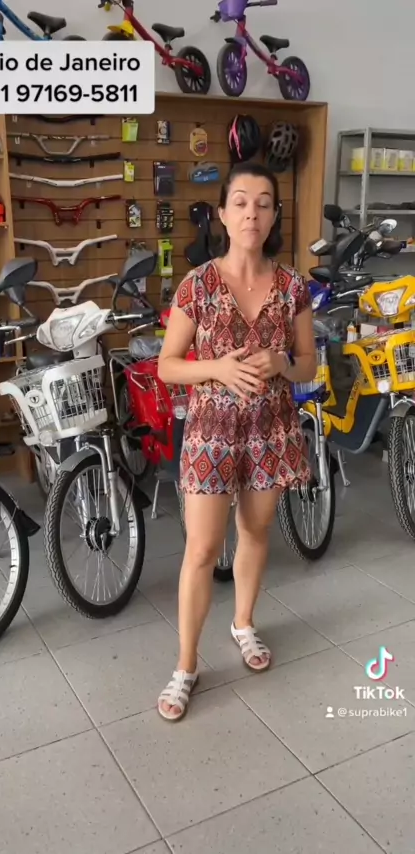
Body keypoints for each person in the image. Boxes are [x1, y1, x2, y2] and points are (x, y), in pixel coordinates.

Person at [156, 161, 316, 722]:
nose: (252, 213)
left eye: (263, 203)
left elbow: (308, 365)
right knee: (202, 549)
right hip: (212, 434)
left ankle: (244, 623)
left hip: (271, 429)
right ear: (223, 214)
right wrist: (217, 368)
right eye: (241, 202)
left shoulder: (293, 287)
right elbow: (168, 366)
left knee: (255, 530)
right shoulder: (197, 285)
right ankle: (186, 665)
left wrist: (283, 361)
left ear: (274, 216)